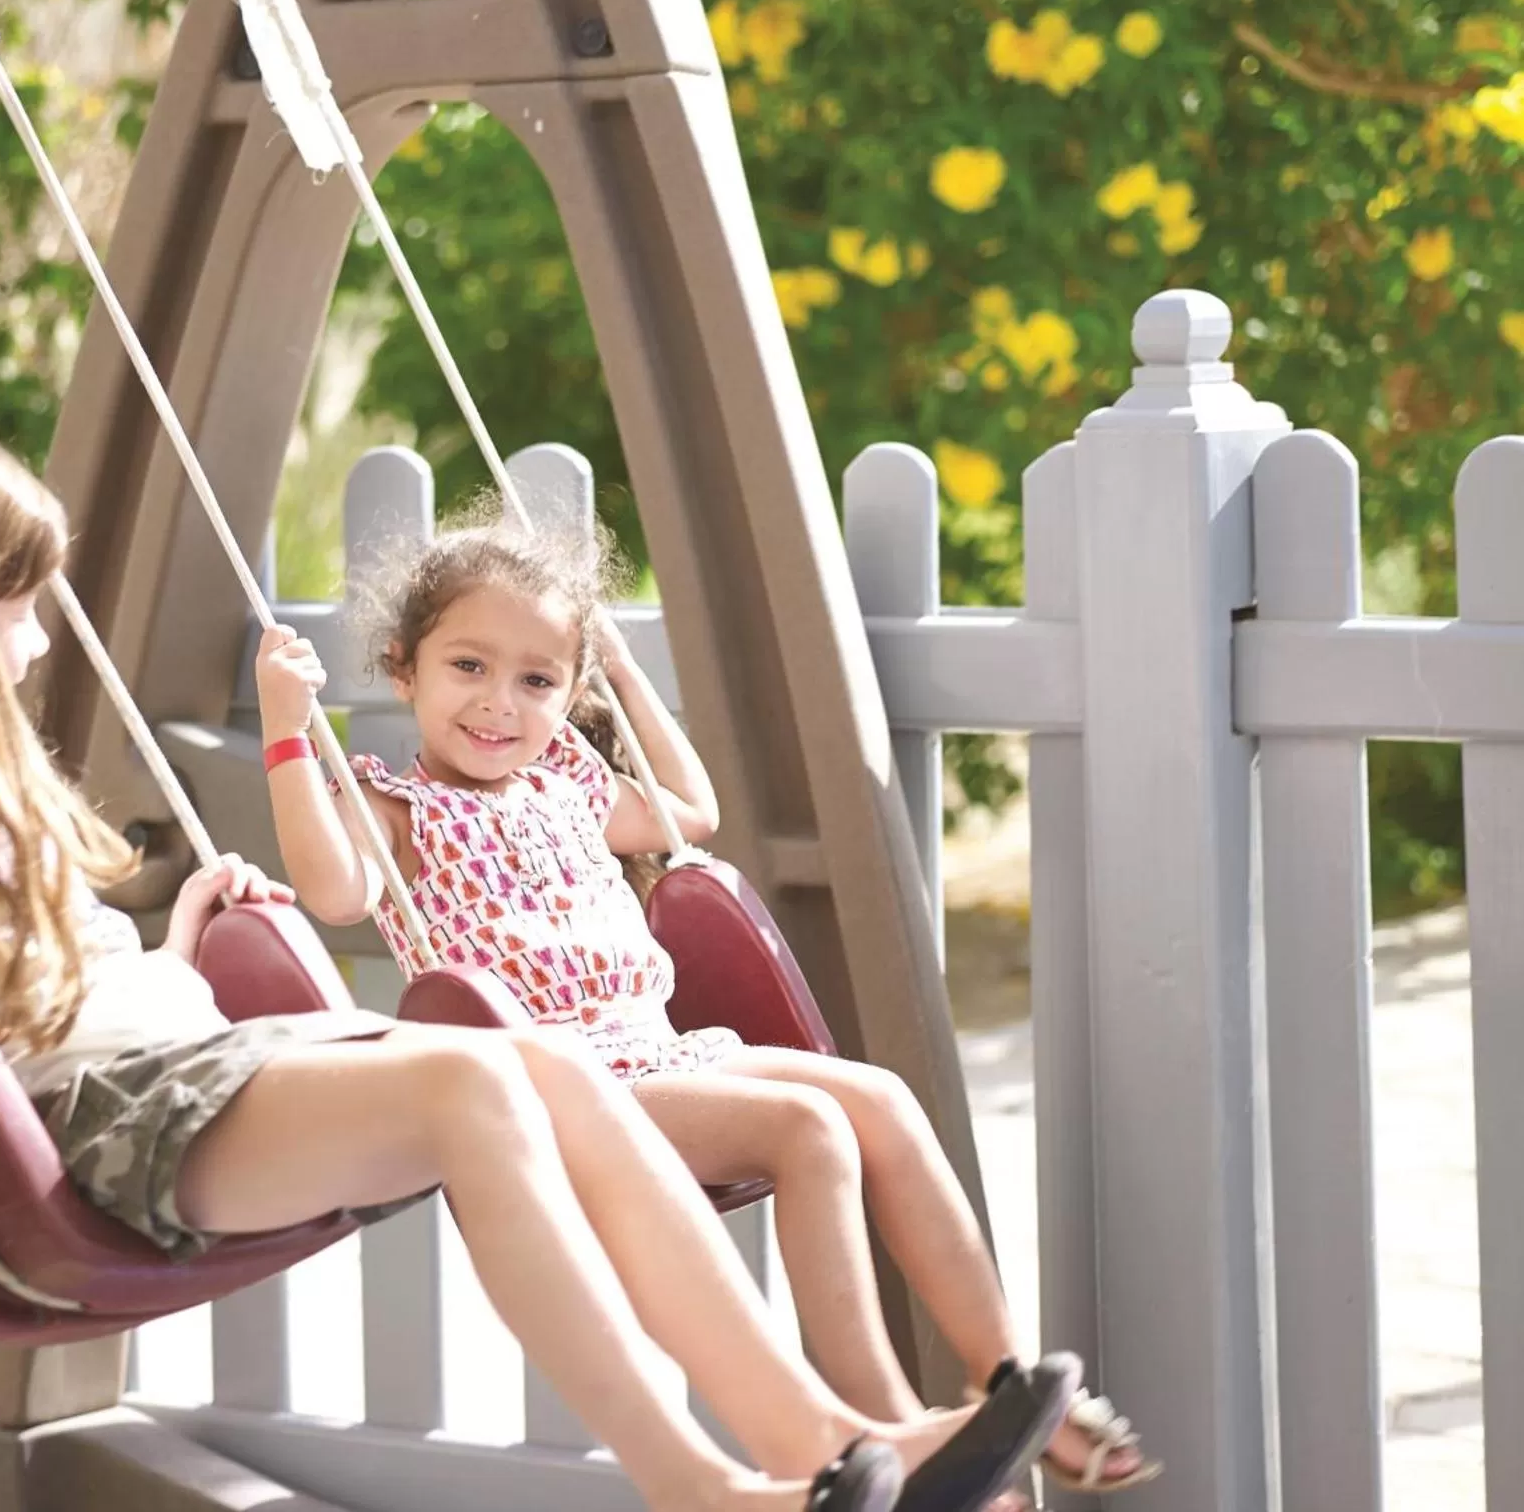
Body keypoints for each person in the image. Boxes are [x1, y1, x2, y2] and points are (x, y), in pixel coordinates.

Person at [0, 417, 1077, 1512]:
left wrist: (180, 943)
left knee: (542, 1067)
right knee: (469, 1087)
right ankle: (723, 1494)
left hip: (191, 1070)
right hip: (95, 1140)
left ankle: (833, 1445)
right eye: (13, 596)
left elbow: (54, 987)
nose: (37, 630)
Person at [257, 519, 1156, 1498]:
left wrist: (624, 677)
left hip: (660, 1050)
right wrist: (286, 733)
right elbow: (335, 889)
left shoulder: (566, 786)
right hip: (570, 1094)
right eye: (467, 664)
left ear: (570, 687)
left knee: (880, 1098)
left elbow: (688, 809)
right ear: (403, 669)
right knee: (806, 1129)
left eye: (537, 680)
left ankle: (1008, 1379)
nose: (498, 703)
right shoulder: (399, 812)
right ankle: (892, 1427)